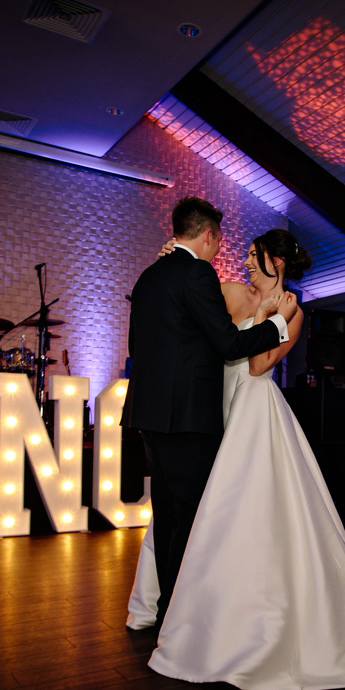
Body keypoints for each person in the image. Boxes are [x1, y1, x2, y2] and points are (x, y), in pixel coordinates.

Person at [129, 228, 345, 690]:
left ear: (278, 262)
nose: (245, 261)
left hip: (254, 408)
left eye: (254, 255)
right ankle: (172, 602)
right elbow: (195, 322)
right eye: (245, 253)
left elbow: (259, 366)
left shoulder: (295, 311)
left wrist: (272, 317)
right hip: (213, 406)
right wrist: (172, 258)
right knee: (189, 506)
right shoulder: (226, 290)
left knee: (243, 508)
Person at [125, 197, 294, 626]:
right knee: (194, 518)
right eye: (220, 241)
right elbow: (228, 344)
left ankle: (168, 609)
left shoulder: (149, 277)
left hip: (149, 415)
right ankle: (184, 616)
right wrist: (275, 324)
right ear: (207, 235)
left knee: (167, 517)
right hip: (188, 417)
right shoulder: (198, 273)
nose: (225, 252)